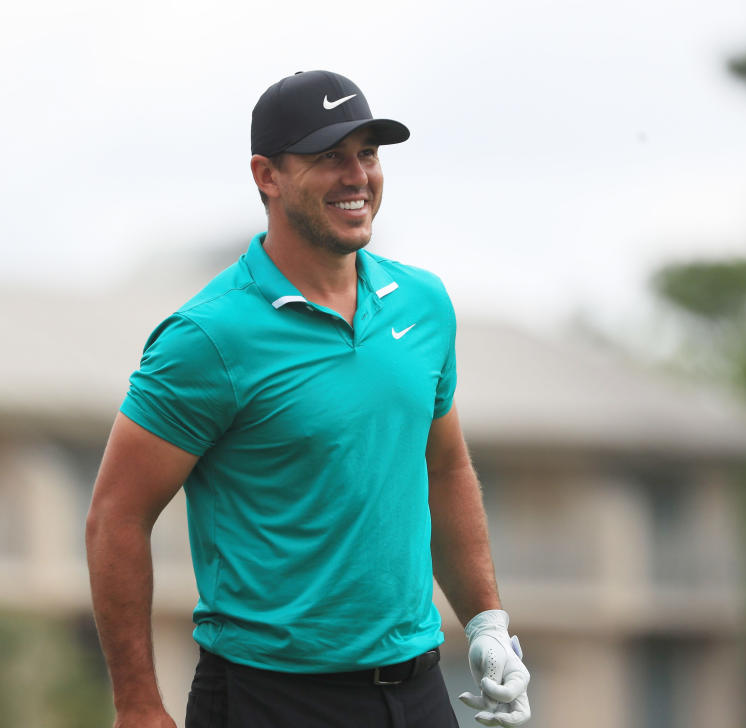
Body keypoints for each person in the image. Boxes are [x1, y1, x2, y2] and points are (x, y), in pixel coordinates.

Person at [85, 70, 532, 728]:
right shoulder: (209, 336)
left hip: (417, 690)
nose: (358, 176)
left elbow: (443, 468)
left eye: (368, 155)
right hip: (271, 697)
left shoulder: (423, 304)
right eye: (329, 158)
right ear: (267, 175)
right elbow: (115, 518)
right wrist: (136, 704)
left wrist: (488, 624)